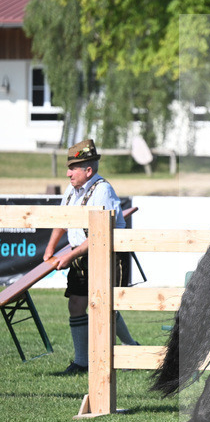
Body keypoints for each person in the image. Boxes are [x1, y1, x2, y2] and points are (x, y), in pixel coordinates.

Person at [43, 139, 138, 375]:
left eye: (73, 169)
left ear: (88, 170)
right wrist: (49, 249)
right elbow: (63, 220)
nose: (68, 173)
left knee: (105, 308)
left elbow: (99, 234)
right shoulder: (71, 190)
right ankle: (82, 362)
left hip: (107, 255)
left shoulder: (103, 190)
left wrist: (70, 255)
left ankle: (130, 348)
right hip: (82, 255)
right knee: (76, 304)